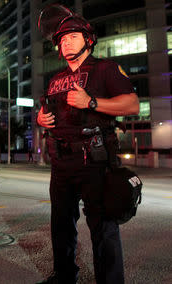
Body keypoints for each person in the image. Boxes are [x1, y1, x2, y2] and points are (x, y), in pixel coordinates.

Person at [36, 5, 140, 283]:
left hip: (94, 160)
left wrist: (92, 102)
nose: (66, 41)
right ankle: (64, 274)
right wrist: (42, 119)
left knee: (102, 226)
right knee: (61, 224)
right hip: (61, 162)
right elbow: (50, 113)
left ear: (88, 40)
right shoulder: (56, 78)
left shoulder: (105, 68)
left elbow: (131, 104)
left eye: (73, 36)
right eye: (62, 39)